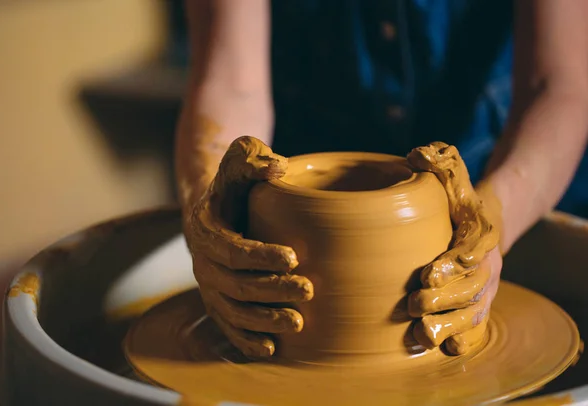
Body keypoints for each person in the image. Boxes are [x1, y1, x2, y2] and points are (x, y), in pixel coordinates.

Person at [175, 0, 588, 358]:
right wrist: (210, 207)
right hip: (301, 218)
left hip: (508, 177)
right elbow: (232, 82)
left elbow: (557, 85)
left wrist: (491, 223)